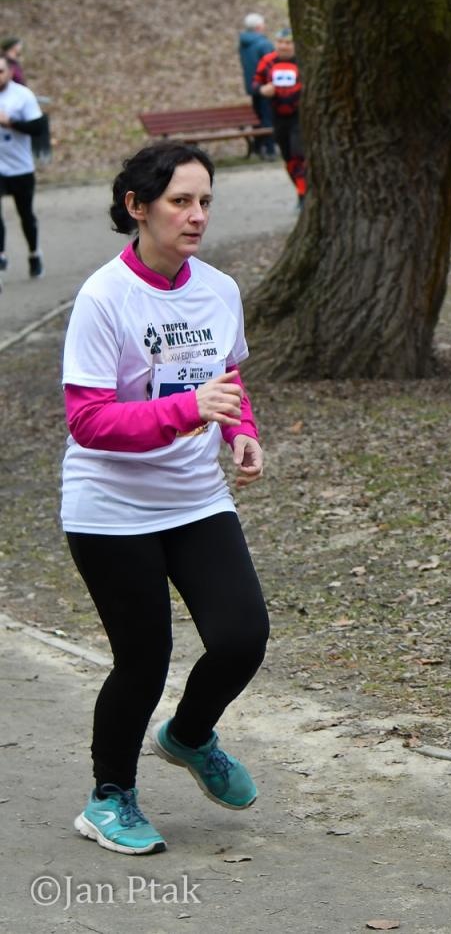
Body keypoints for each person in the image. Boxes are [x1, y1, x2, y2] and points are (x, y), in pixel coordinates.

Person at [60, 141, 268, 856]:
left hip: (194, 496)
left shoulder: (218, 289)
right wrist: (191, 413)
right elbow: (87, 421)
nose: (197, 215)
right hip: (109, 509)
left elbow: (227, 381)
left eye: (205, 200)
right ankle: (109, 796)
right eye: (181, 201)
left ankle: (187, 734)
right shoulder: (103, 297)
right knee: (143, 659)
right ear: (136, 207)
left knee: (244, 636)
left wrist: (240, 431)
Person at [0, 54, 46, 287]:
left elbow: (38, 127)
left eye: (0, 71)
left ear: (10, 72)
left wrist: (11, 123)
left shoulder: (22, 95)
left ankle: (34, 253)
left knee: (25, 214)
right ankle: (1, 255)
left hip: (20, 166)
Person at [253, 27, 305, 208]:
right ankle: (300, 192)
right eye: (280, 42)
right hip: (277, 117)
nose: (284, 46)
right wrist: (262, 90)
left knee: (299, 154)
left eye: (288, 43)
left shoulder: (303, 62)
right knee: (288, 157)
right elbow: (255, 83)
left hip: (300, 117)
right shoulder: (268, 61)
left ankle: (304, 195)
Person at [237, 14, 275, 161]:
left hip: (253, 86)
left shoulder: (243, 43)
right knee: (267, 118)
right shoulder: (263, 44)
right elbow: (272, 66)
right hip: (266, 86)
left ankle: (259, 147)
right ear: (259, 26)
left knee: (258, 118)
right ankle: (270, 150)